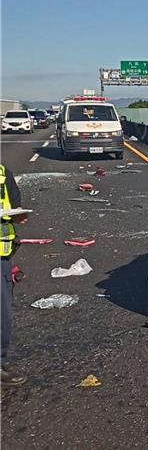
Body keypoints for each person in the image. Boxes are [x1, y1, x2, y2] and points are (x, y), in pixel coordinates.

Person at [1, 164, 28, 386]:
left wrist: (17, 216)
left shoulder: (3, 173)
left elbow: (15, 208)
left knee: (3, 315)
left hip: (2, 256)